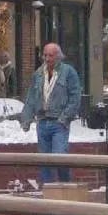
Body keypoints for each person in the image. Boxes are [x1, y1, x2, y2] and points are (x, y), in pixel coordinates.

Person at [19, 42, 83, 186]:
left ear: (59, 57)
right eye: (45, 55)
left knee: (60, 157)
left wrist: (65, 117)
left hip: (58, 122)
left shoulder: (68, 72)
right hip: (42, 121)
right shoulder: (38, 74)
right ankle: (48, 192)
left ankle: (66, 186)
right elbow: (31, 97)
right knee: (45, 161)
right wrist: (26, 119)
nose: (47, 59)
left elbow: (75, 96)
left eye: (51, 55)